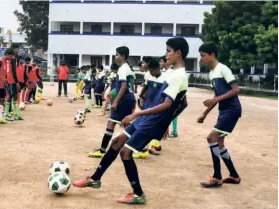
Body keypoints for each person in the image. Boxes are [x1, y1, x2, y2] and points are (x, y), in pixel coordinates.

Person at [74, 37, 189, 205]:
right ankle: (95, 179)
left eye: (168, 51)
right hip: (147, 118)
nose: (166, 54)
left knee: (125, 153)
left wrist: (143, 117)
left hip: (151, 121)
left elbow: (168, 104)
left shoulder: (178, 76)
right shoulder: (171, 72)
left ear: (178, 53)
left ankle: (138, 193)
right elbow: (183, 103)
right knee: (116, 142)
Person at [197, 43, 241, 188]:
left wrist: (216, 99)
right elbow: (216, 95)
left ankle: (217, 176)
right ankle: (234, 176)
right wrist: (204, 114)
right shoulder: (212, 73)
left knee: (211, 138)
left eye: (203, 55)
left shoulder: (223, 69)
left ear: (212, 55)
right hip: (224, 110)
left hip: (232, 110)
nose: (201, 58)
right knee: (219, 143)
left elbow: (235, 90)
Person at [87, 46, 136, 158]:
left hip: (124, 100)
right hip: (128, 99)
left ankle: (102, 150)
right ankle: (142, 148)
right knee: (127, 124)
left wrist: (115, 102)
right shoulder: (127, 68)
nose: (115, 57)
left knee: (111, 122)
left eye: (117, 54)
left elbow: (123, 87)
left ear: (123, 56)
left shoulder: (123, 68)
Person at [139, 59, 168, 155]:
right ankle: (145, 145)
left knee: (155, 126)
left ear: (158, 69)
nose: (150, 73)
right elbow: (146, 86)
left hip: (158, 106)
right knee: (144, 125)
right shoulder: (149, 75)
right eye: (149, 71)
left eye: (152, 71)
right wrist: (140, 96)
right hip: (148, 104)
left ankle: (153, 146)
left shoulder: (165, 78)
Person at [5, 48, 23, 121]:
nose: (18, 51)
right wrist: (17, 82)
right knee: (11, 96)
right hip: (12, 81)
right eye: (17, 50)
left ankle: (16, 114)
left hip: (10, 80)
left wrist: (19, 57)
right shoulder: (12, 60)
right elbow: (13, 71)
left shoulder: (11, 60)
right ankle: (7, 114)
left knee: (14, 96)